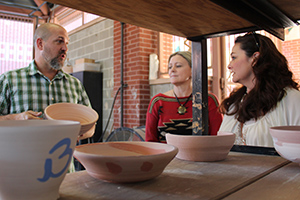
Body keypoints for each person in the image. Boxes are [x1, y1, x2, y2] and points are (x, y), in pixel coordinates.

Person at [0, 23, 93, 140]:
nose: (65, 48)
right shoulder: (9, 80)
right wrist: (16, 119)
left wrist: (77, 132)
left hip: (63, 158)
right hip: (20, 158)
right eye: (59, 41)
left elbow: (91, 125)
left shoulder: (75, 85)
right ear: (40, 44)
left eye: (66, 43)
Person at [218, 32, 300, 147]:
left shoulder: (292, 100)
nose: (229, 65)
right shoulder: (234, 104)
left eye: (234, 57)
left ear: (254, 58)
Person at [145, 51, 223, 142]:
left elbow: (218, 139)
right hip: (166, 155)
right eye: (170, 67)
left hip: (201, 155)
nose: (172, 70)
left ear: (193, 70)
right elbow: (150, 141)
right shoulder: (158, 102)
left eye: (178, 66)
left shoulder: (209, 100)